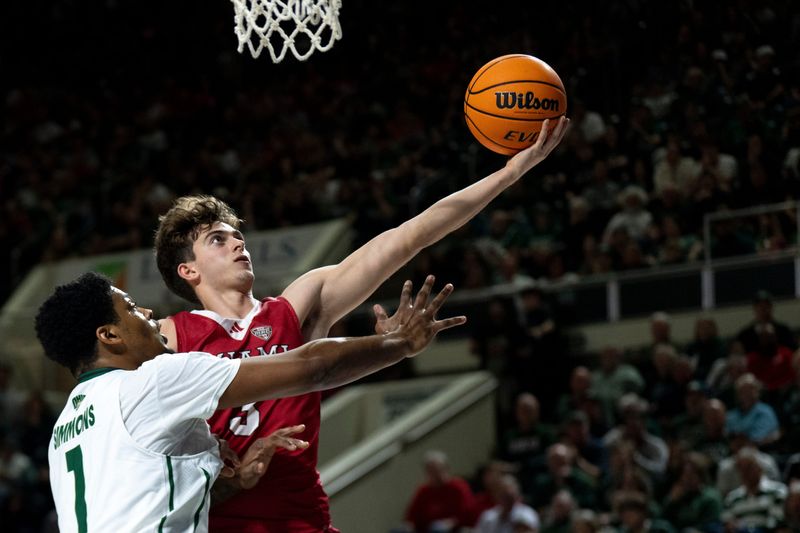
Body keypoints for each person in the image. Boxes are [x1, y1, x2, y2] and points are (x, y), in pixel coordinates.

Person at [153, 117, 569, 532]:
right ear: (188, 271)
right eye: (218, 239)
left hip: (304, 520)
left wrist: (510, 173)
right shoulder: (169, 336)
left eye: (236, 236)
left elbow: (409, 236)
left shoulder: (295, 309)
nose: (237, 243)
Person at [38, 272, 464, 532]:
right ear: (109, 336)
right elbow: (311, 366)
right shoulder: (153, 381)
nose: (148, 312)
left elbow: (142, 502)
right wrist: (399, 344)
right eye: (131, 308)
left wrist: (233, 482)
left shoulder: (64, 430)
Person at [404, 450, 475, 533]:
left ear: (446, 468)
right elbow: (411, 517)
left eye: (438, 470)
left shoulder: (459, 487)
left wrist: (451, 522)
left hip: (454, 529)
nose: (436, 474)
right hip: (427, 529)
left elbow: (468, 512)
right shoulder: (423, 491)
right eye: (431, 471)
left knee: (438, 528)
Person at [475, 474, 540, 533]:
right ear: (496, 495)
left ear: (517, 496)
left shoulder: (527, 515)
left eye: (510, 496)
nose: (507, 501)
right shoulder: (488, 517)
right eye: (503, 495)